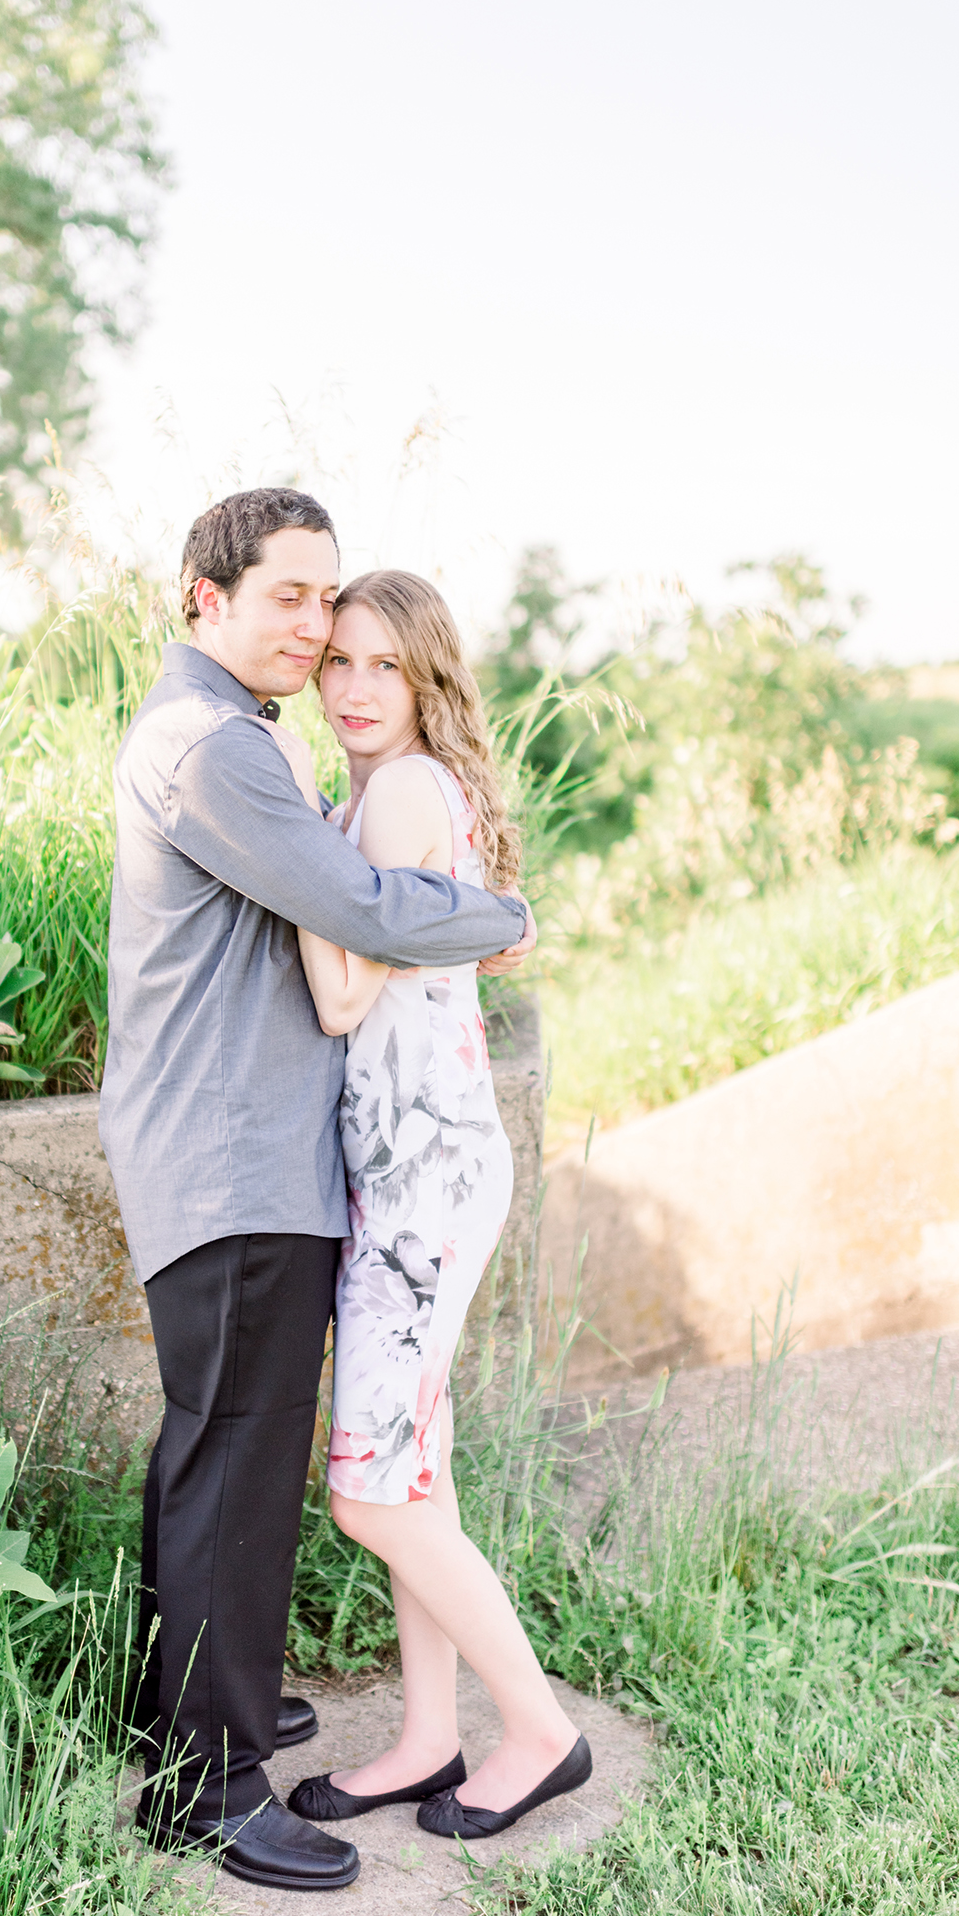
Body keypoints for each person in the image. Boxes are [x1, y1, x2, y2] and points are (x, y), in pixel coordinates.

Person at [99, 490, 535, 1891]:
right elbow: (348, 908)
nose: (309, 625)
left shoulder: (243, 743)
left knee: (217, 1447)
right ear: (201, 599)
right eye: (287, 597)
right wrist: (500, 916)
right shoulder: (212, 748)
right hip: (235, 1169)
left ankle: (191, 1712)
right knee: (233, 1456)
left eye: (324, 599)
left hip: (250, 1167)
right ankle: (209, 1786)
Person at [280, 570, 591, 1841]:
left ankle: (540, 1731)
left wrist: (292, 855)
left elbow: (344, 999)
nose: (353, 689)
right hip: (417, 1171)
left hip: (425, 1186)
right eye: (336, 663)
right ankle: (423, 1736)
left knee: (370, 1497)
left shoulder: (399, 792)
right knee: (417, 1478)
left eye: (383, 669)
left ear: (426, 681)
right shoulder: (389, 788)